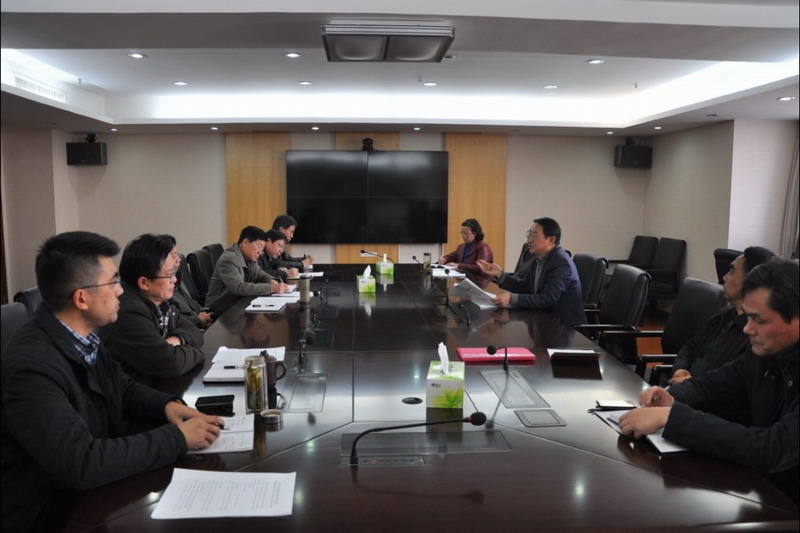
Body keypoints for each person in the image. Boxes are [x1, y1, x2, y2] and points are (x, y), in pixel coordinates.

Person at [0, 231, 223, 533]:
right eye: (113, 282)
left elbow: (121, 386)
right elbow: (80, 464)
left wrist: (167, 406)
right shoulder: (32, 368)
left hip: (92, 492)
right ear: (82, 298)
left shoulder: (82, 336)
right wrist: (178, 439)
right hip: (51, 514)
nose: (121, 291)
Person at [618, 259, 798, 504]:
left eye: (760, 320)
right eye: (748, 317)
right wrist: (672, 397)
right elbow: (711, 386)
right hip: (760, 489)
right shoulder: (764, 353)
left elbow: (772, 449)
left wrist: (673, 417)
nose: (747, 329)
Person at [99, 234, 205, 386]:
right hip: (132, 397)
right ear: (144, 283)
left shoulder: (160, 302)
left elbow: (194, 331)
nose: (174, 280)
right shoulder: (128, 313)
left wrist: (177, 339)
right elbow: (171, 363)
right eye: (169, 275)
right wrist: (198, 353)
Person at [668, 246, 776, 385]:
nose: (724, 277)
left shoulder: (755, 338)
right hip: (687, 388)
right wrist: (680, 369)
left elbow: (729, 385)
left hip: (701, 395)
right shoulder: (723, 316)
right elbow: (690, 347)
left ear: (750, 280)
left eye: (731, 271)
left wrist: (692, 384)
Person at [477, 217, 586, 326]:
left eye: (534, 236)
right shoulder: (538, 258)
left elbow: (549, 299)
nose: (529, 240)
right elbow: (527, 287)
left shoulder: (561, 262)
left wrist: (511, 298)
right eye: (529, 234)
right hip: (543, 320)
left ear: (551, 240)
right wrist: (500, 274)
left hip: (564, 327)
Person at [205, 225, 287, 315]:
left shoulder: (249, 257)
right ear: (245, 242)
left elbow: (260, 274)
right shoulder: (229, 259)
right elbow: (239, 287)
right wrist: (271, 288)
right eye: (259, 246)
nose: (260, 252)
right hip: (219, 311)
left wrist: (271, 281)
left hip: (237, 305)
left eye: (262, 249)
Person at [438, 218, 494, 289]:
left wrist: (459, 266)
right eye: (462, 233)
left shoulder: (483, 248)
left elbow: (481, 269)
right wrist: (444, 259)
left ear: (475, 233)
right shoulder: (462, 247)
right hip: (464, 282)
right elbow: (452, 256)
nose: (463, 236)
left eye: (466, 233)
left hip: (478, 285)